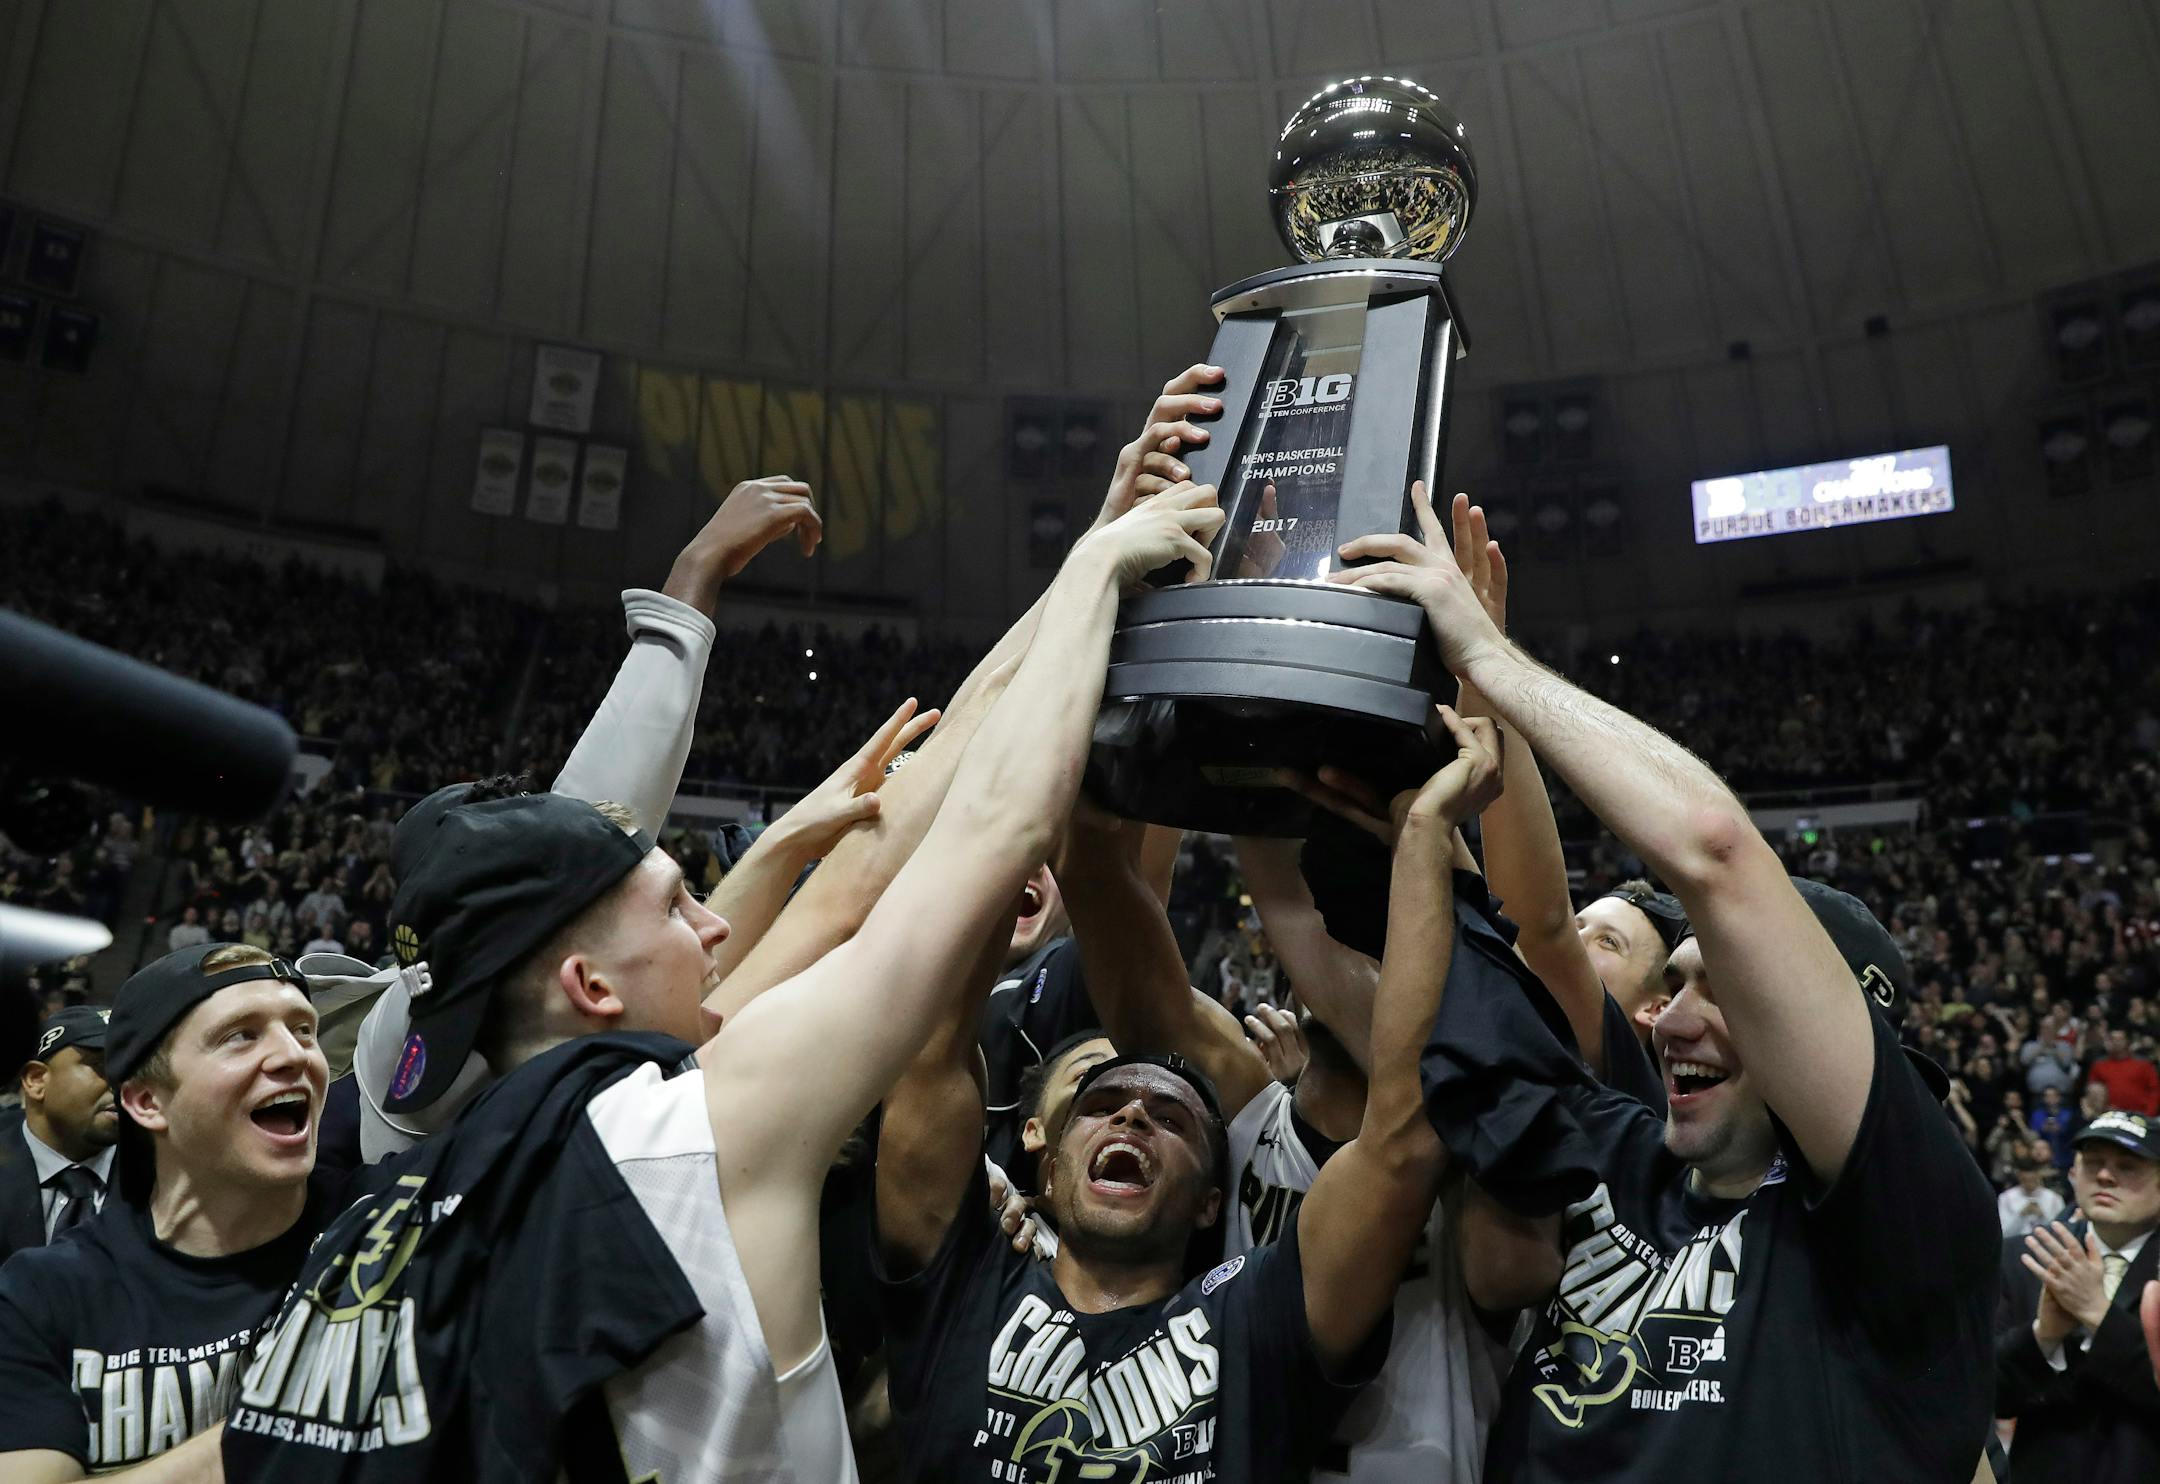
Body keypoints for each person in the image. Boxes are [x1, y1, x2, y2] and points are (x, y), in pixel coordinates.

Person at [215, 482, 1226, 1481]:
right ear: (590, 984)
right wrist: (1094, 571)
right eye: (671, 904)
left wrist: (1083, 555)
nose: (714, 919)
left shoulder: (378, 1224)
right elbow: (997, 828)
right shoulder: (704, 1117)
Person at [1326, 483, 1998, 1480]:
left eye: (1721, 989)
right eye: (1675, 981)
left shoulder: (1902, 1226)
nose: (1671, 1019)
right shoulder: (1622, 1150)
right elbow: (1498, 954)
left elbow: (1716, 848)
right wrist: (1426, 802)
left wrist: (1490, 657)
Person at [871, 706, 1500, 1481]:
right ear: (1047, 1160)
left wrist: (1427, 838)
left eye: (1170, 1118)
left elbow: (1408, 1129)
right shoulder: (970, 1283)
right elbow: (927, 1040)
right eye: (1100, 1106)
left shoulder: (1249, 1319)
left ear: (1213, 1200)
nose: (1133, 1111)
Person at [1062, 793, 1553, 1481]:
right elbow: (1099, 891)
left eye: (1376, 939)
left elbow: (1516, 1270)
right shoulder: (1240, 1113)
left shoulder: (1476, 1142)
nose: (1340, 952)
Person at [0, 944, 336, 1480]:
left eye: (303, 1030)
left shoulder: (382, 1224)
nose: (296, 1055)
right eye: (240, 1035)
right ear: (147, 1102)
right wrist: (300, 1413)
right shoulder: (39, 1295)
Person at [1995, 1109, 2160, 1482]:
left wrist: (2097, 1314)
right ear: (2073, 1174)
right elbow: (1988, 1394)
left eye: (2128, 1165)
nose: (2104, 1175)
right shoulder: (2026, 1256)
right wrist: (2042, 1338)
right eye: (2093, 1162)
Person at [0, 1006, 119, 1266]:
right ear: (36, 1080)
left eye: (129, 1066)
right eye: (101, 1065)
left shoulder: (167, 1173)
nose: (121, 1081)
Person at [2090, 1028, 2160, 1117]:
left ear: (2128, 1042)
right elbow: (2093, 1091)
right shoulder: (2099, 1065)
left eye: (2120, 1039)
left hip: (2141, 1116)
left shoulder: (2144, 1064)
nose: (2116, 1042)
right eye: (2112, 1039)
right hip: (2109, 1116)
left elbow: (2155, 1090)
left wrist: (2150, 1113)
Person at [2000, 1150, 2068, 1238]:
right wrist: (2021, 1215)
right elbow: (2003, 1233)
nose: (2029, 1184)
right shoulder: (2006, 1198)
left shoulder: (2054, 1199)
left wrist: (2042, 1216)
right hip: (2015, 1244)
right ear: (2019, 1177)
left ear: (2038, 1175)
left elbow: (2062, 1232)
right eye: (2025, 1180)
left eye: (2032, 1180)